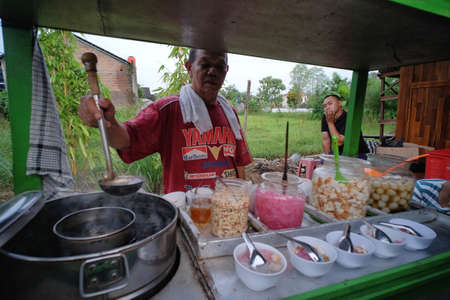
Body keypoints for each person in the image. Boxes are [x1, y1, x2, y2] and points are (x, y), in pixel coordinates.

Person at [78, 49, 252, 193]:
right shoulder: (168, 110)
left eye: (219, 66)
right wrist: (108, 123)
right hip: (186, 214)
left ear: (226, 71)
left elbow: (239, 163)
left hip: (227, 212)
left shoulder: (230, 113)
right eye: (205, 64)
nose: (212, 71)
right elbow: (126, 139)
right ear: (189, 68)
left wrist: (241, 201)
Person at [321, 93, 368, 158]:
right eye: (325, 106)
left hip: (357, 154)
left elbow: (339, 142)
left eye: (330, 104)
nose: (327, 108)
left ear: (340, 103)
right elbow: (325, 139)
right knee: (320, 164)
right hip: (338, 153)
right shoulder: (326, 117)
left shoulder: (350, 118)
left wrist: (330, 123)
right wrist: (327, 159)